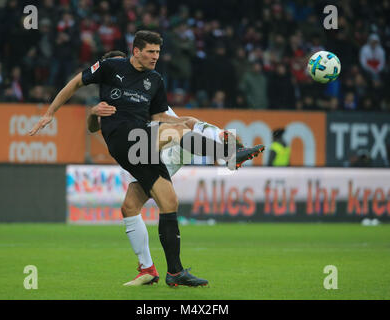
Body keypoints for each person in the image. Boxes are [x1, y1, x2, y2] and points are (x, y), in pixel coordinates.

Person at [30, 31, 263, 287]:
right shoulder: (111, 66)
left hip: (146, 142)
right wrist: (50, 112)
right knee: (176, 134)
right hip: (123, 139)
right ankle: (228, 157)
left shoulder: (155, 80)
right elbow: (75, 83)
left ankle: (173, 272)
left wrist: (182, 120)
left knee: (166, 201)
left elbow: (158, 117)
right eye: (151, 52)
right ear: (136, 50)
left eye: (158, 52)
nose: (156, 57)